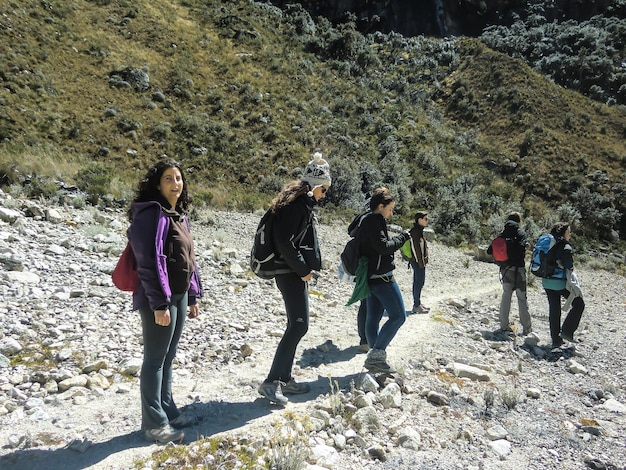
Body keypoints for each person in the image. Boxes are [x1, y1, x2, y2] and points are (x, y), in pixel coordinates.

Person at [127, 159, 203, 444]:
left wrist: (193, 295)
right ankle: (153, 423)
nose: (176, 183)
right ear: (157, 184)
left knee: (168, 357)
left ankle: (167, 409)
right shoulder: (150, 215)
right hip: (159, 298)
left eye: (179, 178)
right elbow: (147, 262)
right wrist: (159, 304)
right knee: (154, 360)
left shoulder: (178, 215)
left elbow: (189, 260)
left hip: (180, 296)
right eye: (169, 179)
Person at [258, 152, 331, 405]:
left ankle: (285, 380)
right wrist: (303, 270)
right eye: (325, 189)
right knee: (298, 326)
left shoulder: (298, 203)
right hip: (289, 273)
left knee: (296, 324)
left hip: (290, 272)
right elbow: (284, 242)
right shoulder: (296, 206)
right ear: (316, 186)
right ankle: (271, 382)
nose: (325, 195)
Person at [359, 188, 411, 374]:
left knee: (373, 318)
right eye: (390, 209)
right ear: (381, 207)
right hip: (383, 277)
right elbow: (384, 247)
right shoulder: (376, 220)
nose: (391, 213)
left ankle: (375, 360)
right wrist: (402, 237)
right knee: (398, 316)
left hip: (370, 277)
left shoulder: (365, 219)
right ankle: (377, 356)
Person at [488, 212, 532, 336]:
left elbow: (489, 250)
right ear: (519, 221)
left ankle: (503, 325)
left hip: (505, 269)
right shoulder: (521, 233)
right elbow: (521, 247)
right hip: (519, 269)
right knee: (522, 298)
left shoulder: (502, 233)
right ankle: (527, 328)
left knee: (506, 295)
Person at [542, 222, 585, 348]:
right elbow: (568, 264)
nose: (569, 235)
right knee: (578, 304)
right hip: (560, 283)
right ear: (564, 232)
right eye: (569, 232)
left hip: (546, 281)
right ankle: (567, 331)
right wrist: (571, 266)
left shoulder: (548, 242)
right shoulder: (564, 245)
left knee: (554, 309)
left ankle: (556, 340)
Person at [407, 211, 430, 314]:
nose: (427, 221)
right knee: (418, 283)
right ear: (419, 220)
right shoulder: (415, 232)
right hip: (417, 263)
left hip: (419, 262)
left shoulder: (419, 230)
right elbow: (415, 248)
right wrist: (421, 263)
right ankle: (416, 306)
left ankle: (418, 304)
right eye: (425, 219)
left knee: (419, 283)